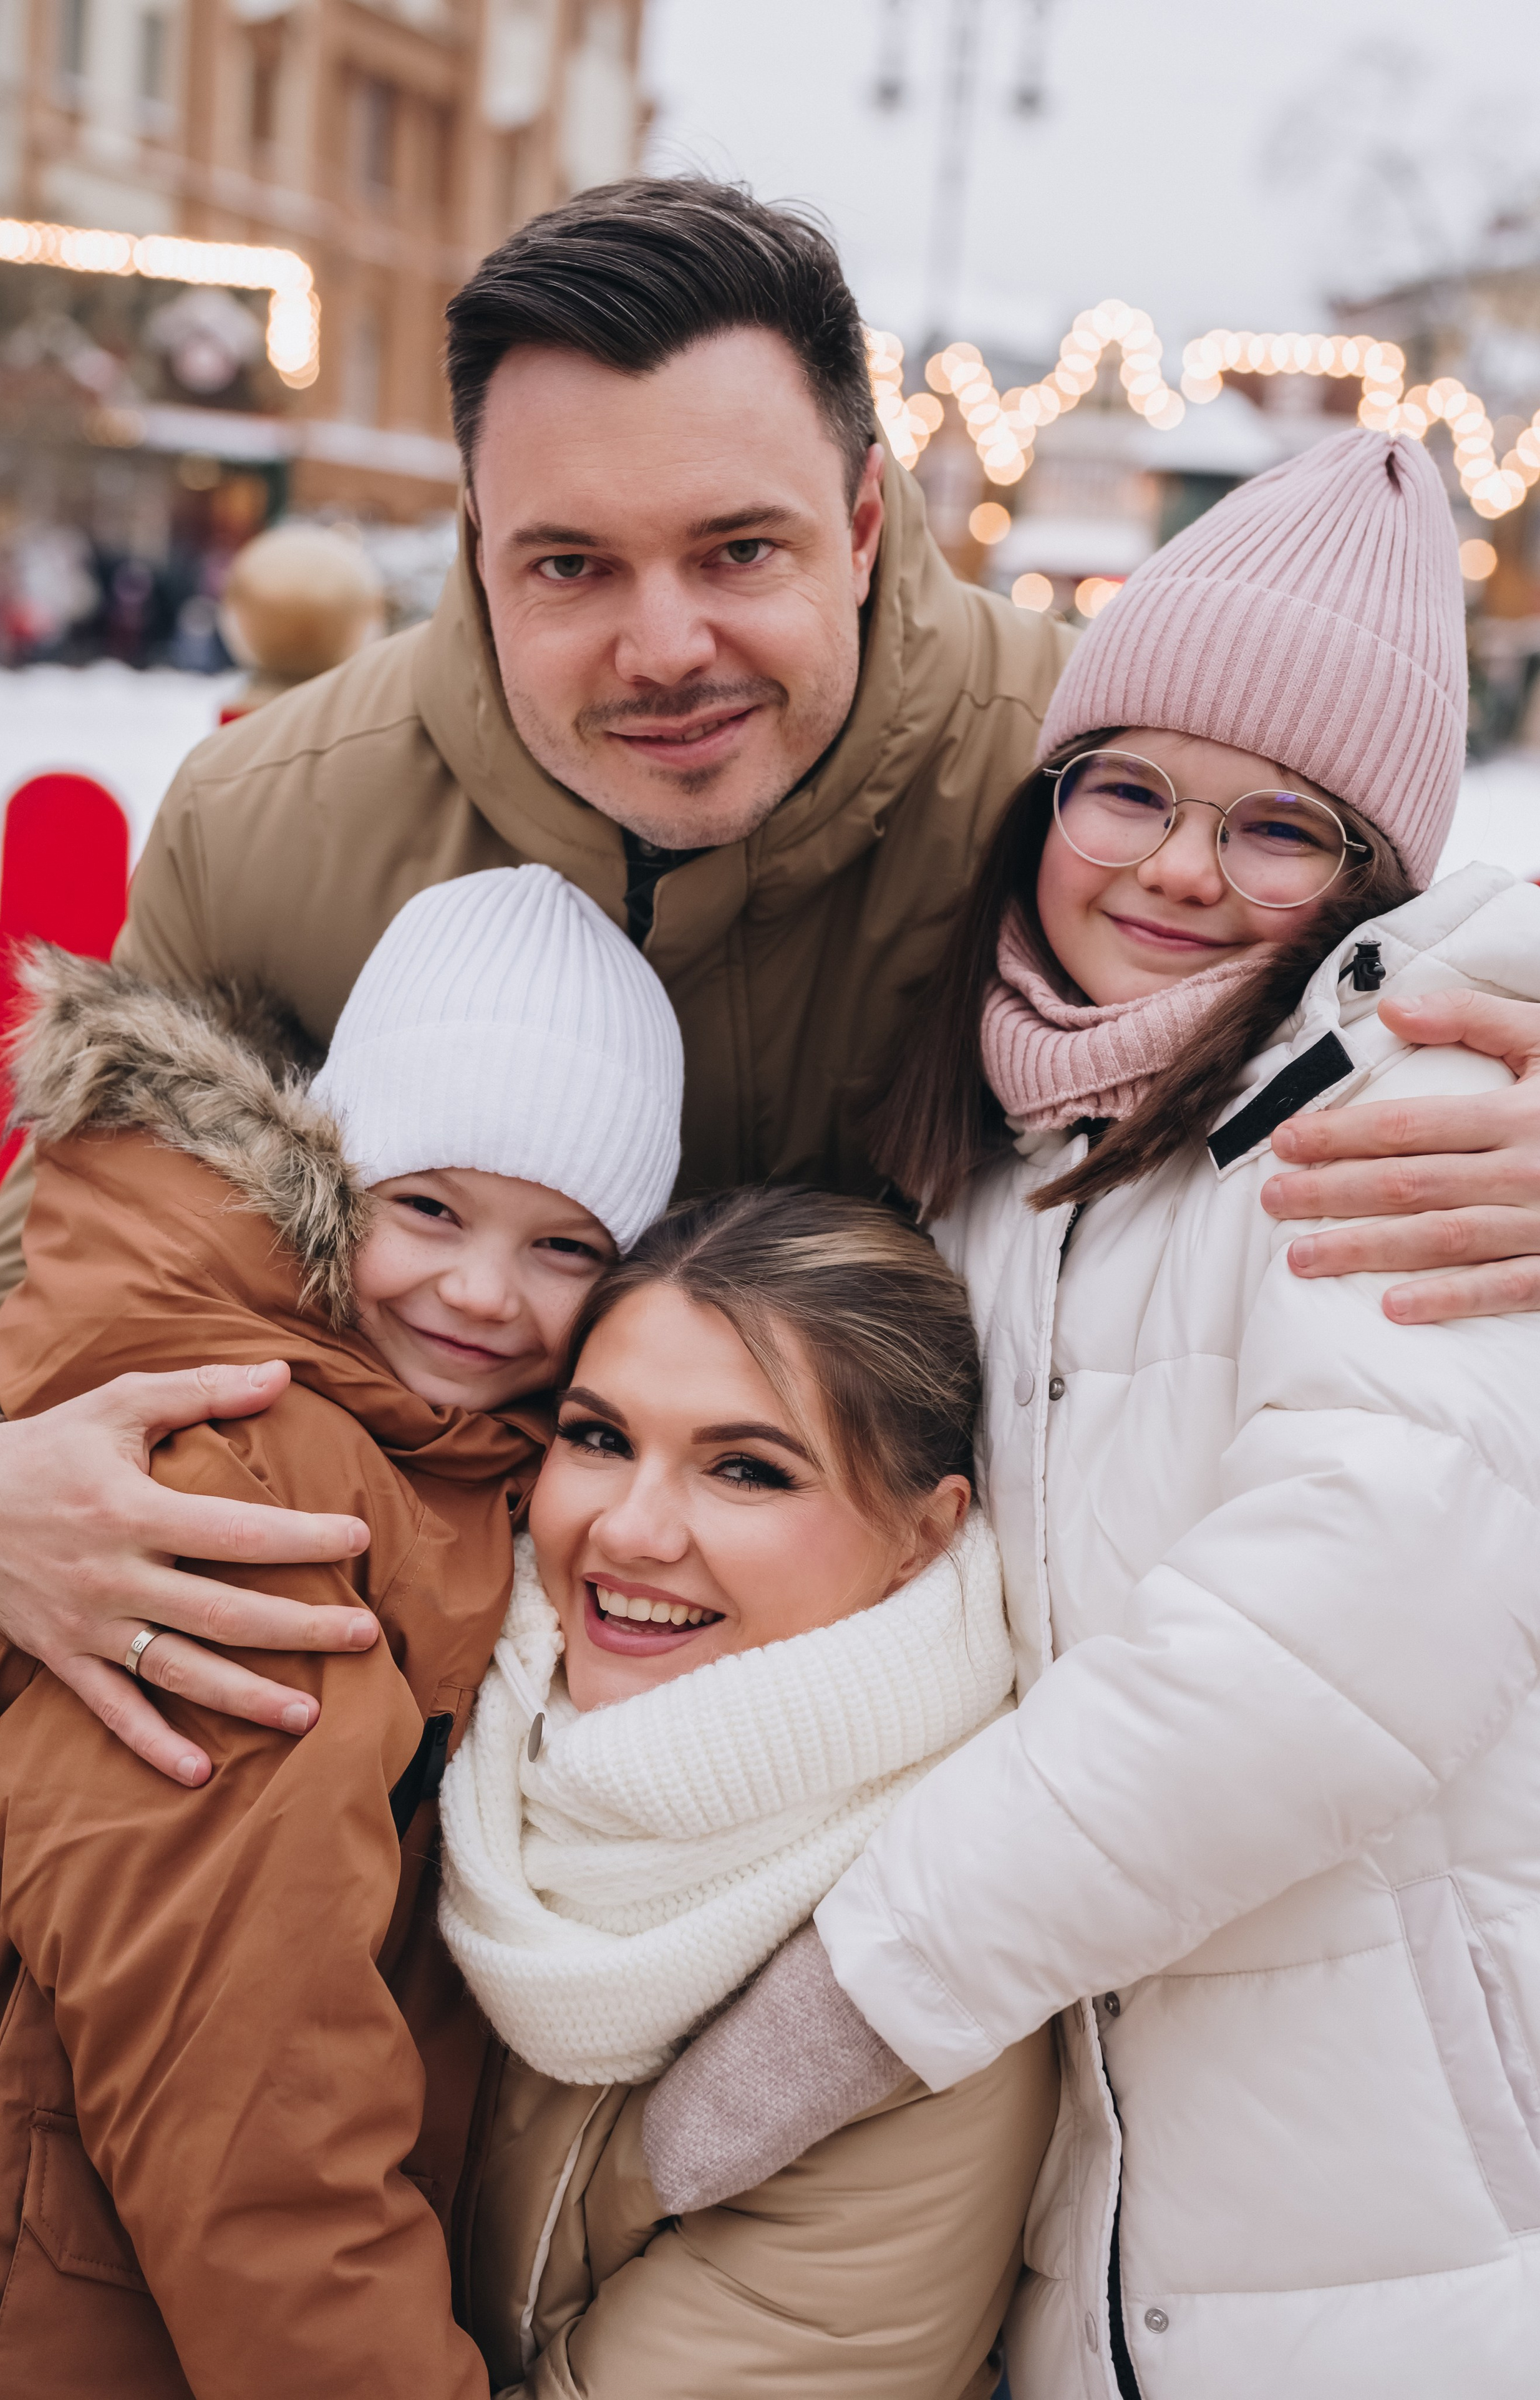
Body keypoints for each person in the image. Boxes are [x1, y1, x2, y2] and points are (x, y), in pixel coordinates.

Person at [0, 179, 1540, 1785]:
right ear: (477, 549)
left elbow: (1384, 931)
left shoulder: (1073, 789)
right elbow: (58, 1263)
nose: (663, 648)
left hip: (923, 1731)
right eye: (570, 565)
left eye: (737, 550)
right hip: (406, 1701)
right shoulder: (277, 820)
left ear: (859, 522)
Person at [645, 432, 1540, 2398]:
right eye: (1127, 787)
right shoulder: (1001, 1147)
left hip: (1388, 2247)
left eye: (1280, 829)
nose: (1178, 868)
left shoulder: (1411, 1130)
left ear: (1374, 880)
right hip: (1115, 2224)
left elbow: (1316, 1649)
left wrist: (856, 2000)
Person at [0, 867, 682, 2396]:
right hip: (61, 2303)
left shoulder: (424, 1443)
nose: (483, 1293)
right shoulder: (261, 1477)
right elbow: (240, 2069)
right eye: (429, 1207)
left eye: (567, 1248)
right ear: (329, 1179)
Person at [439, 1186, 1056, 2399]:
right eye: (598, 1437)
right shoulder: (447, 1720)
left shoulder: (915, 1995)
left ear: (921, 1535)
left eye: (745, 1469)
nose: (629, 1527)